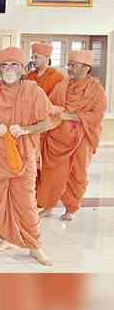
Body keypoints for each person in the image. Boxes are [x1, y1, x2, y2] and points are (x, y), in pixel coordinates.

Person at [0, 47, 55, 266]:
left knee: (26, 203)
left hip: (24, 156)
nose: (8, 69)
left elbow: (48, 122)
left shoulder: (34, 92)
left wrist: (26, 129)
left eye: (14, 65)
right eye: (4, 65)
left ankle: (35, 246)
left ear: (23, 68)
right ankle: (6, 238)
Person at [37, 50, 107, 222]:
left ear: (86, 67)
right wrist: (54, 111)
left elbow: (97, 115)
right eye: (69, 65)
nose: (69, 68)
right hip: (57, 136)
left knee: (76, 173)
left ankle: (71, 208)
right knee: (51, 172)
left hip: (82, 138)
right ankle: (48, 206)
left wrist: (71, 116)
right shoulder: (62, 86)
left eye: (73, 65)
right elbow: (50, 106)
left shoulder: (96, 90)